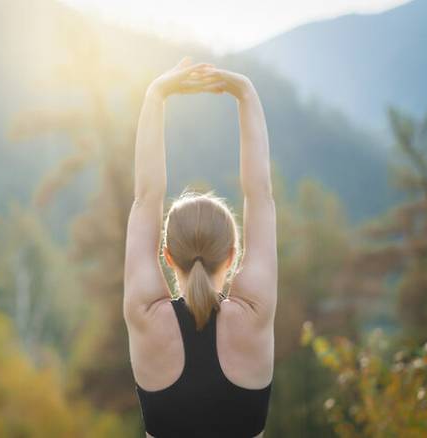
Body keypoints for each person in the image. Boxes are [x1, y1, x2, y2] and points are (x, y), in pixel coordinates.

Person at [123, 56, 277, 438]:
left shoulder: (145, 314)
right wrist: (245, 93)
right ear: (233, 253)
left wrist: (156, 95)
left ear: (167, 253)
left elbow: (146, 197)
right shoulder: (254, 313)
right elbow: (260, 196)